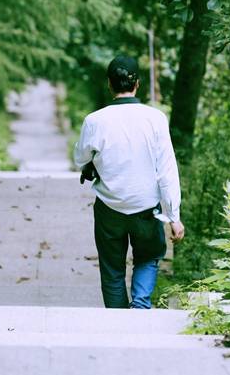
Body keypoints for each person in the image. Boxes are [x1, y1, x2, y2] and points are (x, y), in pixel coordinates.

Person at [73, 55, 184, 309]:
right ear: (138, 84)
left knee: (112, 269)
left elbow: (81, 158)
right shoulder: (155, 118)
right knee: (148, 257)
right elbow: (167, 169)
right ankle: (141, 306)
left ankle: (118, 321)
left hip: (109, 208)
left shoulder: (94, 121)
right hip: (147, 208)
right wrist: (173, 215)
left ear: (109, 84)